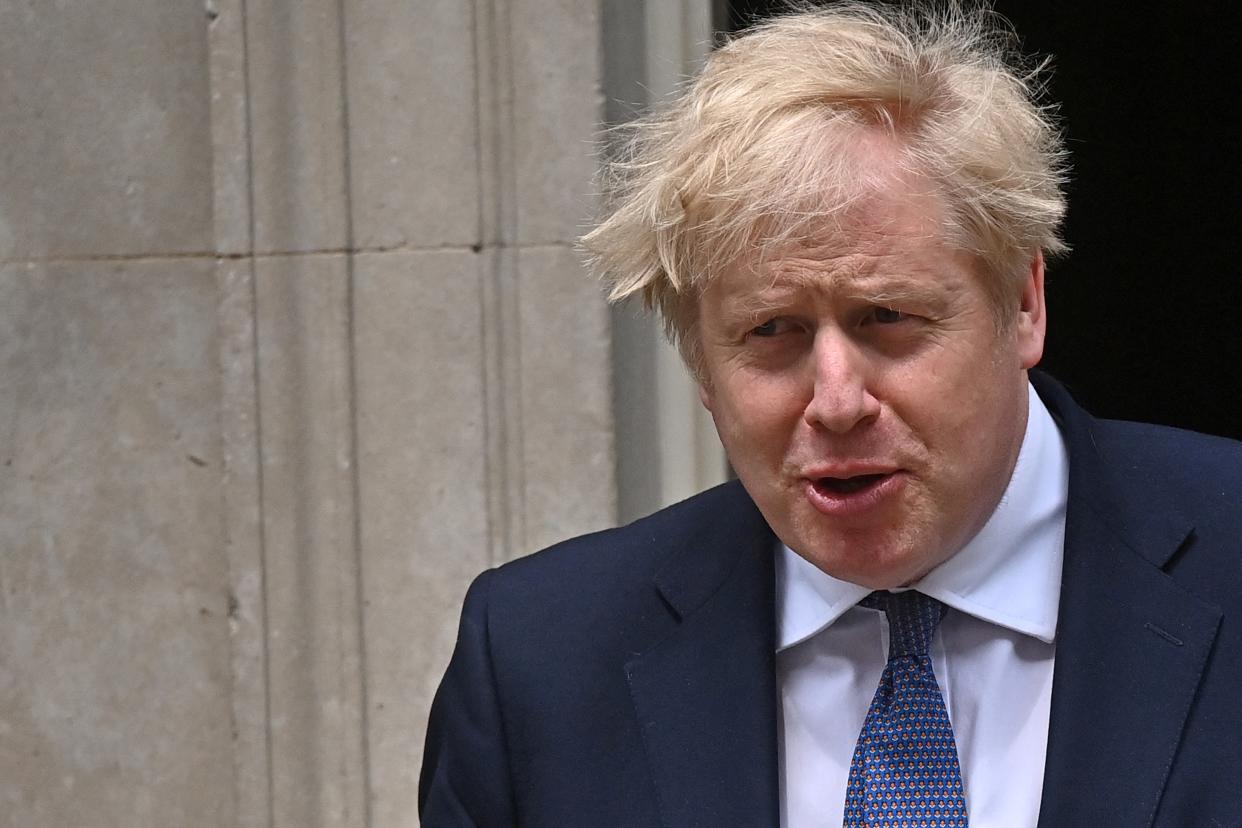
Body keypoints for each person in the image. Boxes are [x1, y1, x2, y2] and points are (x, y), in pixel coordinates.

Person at [419, 4, 1242, 826]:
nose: (837, 401)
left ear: (1023, 305)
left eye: (887, 318)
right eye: (771, 333)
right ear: (701, 364)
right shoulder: (541, 665)